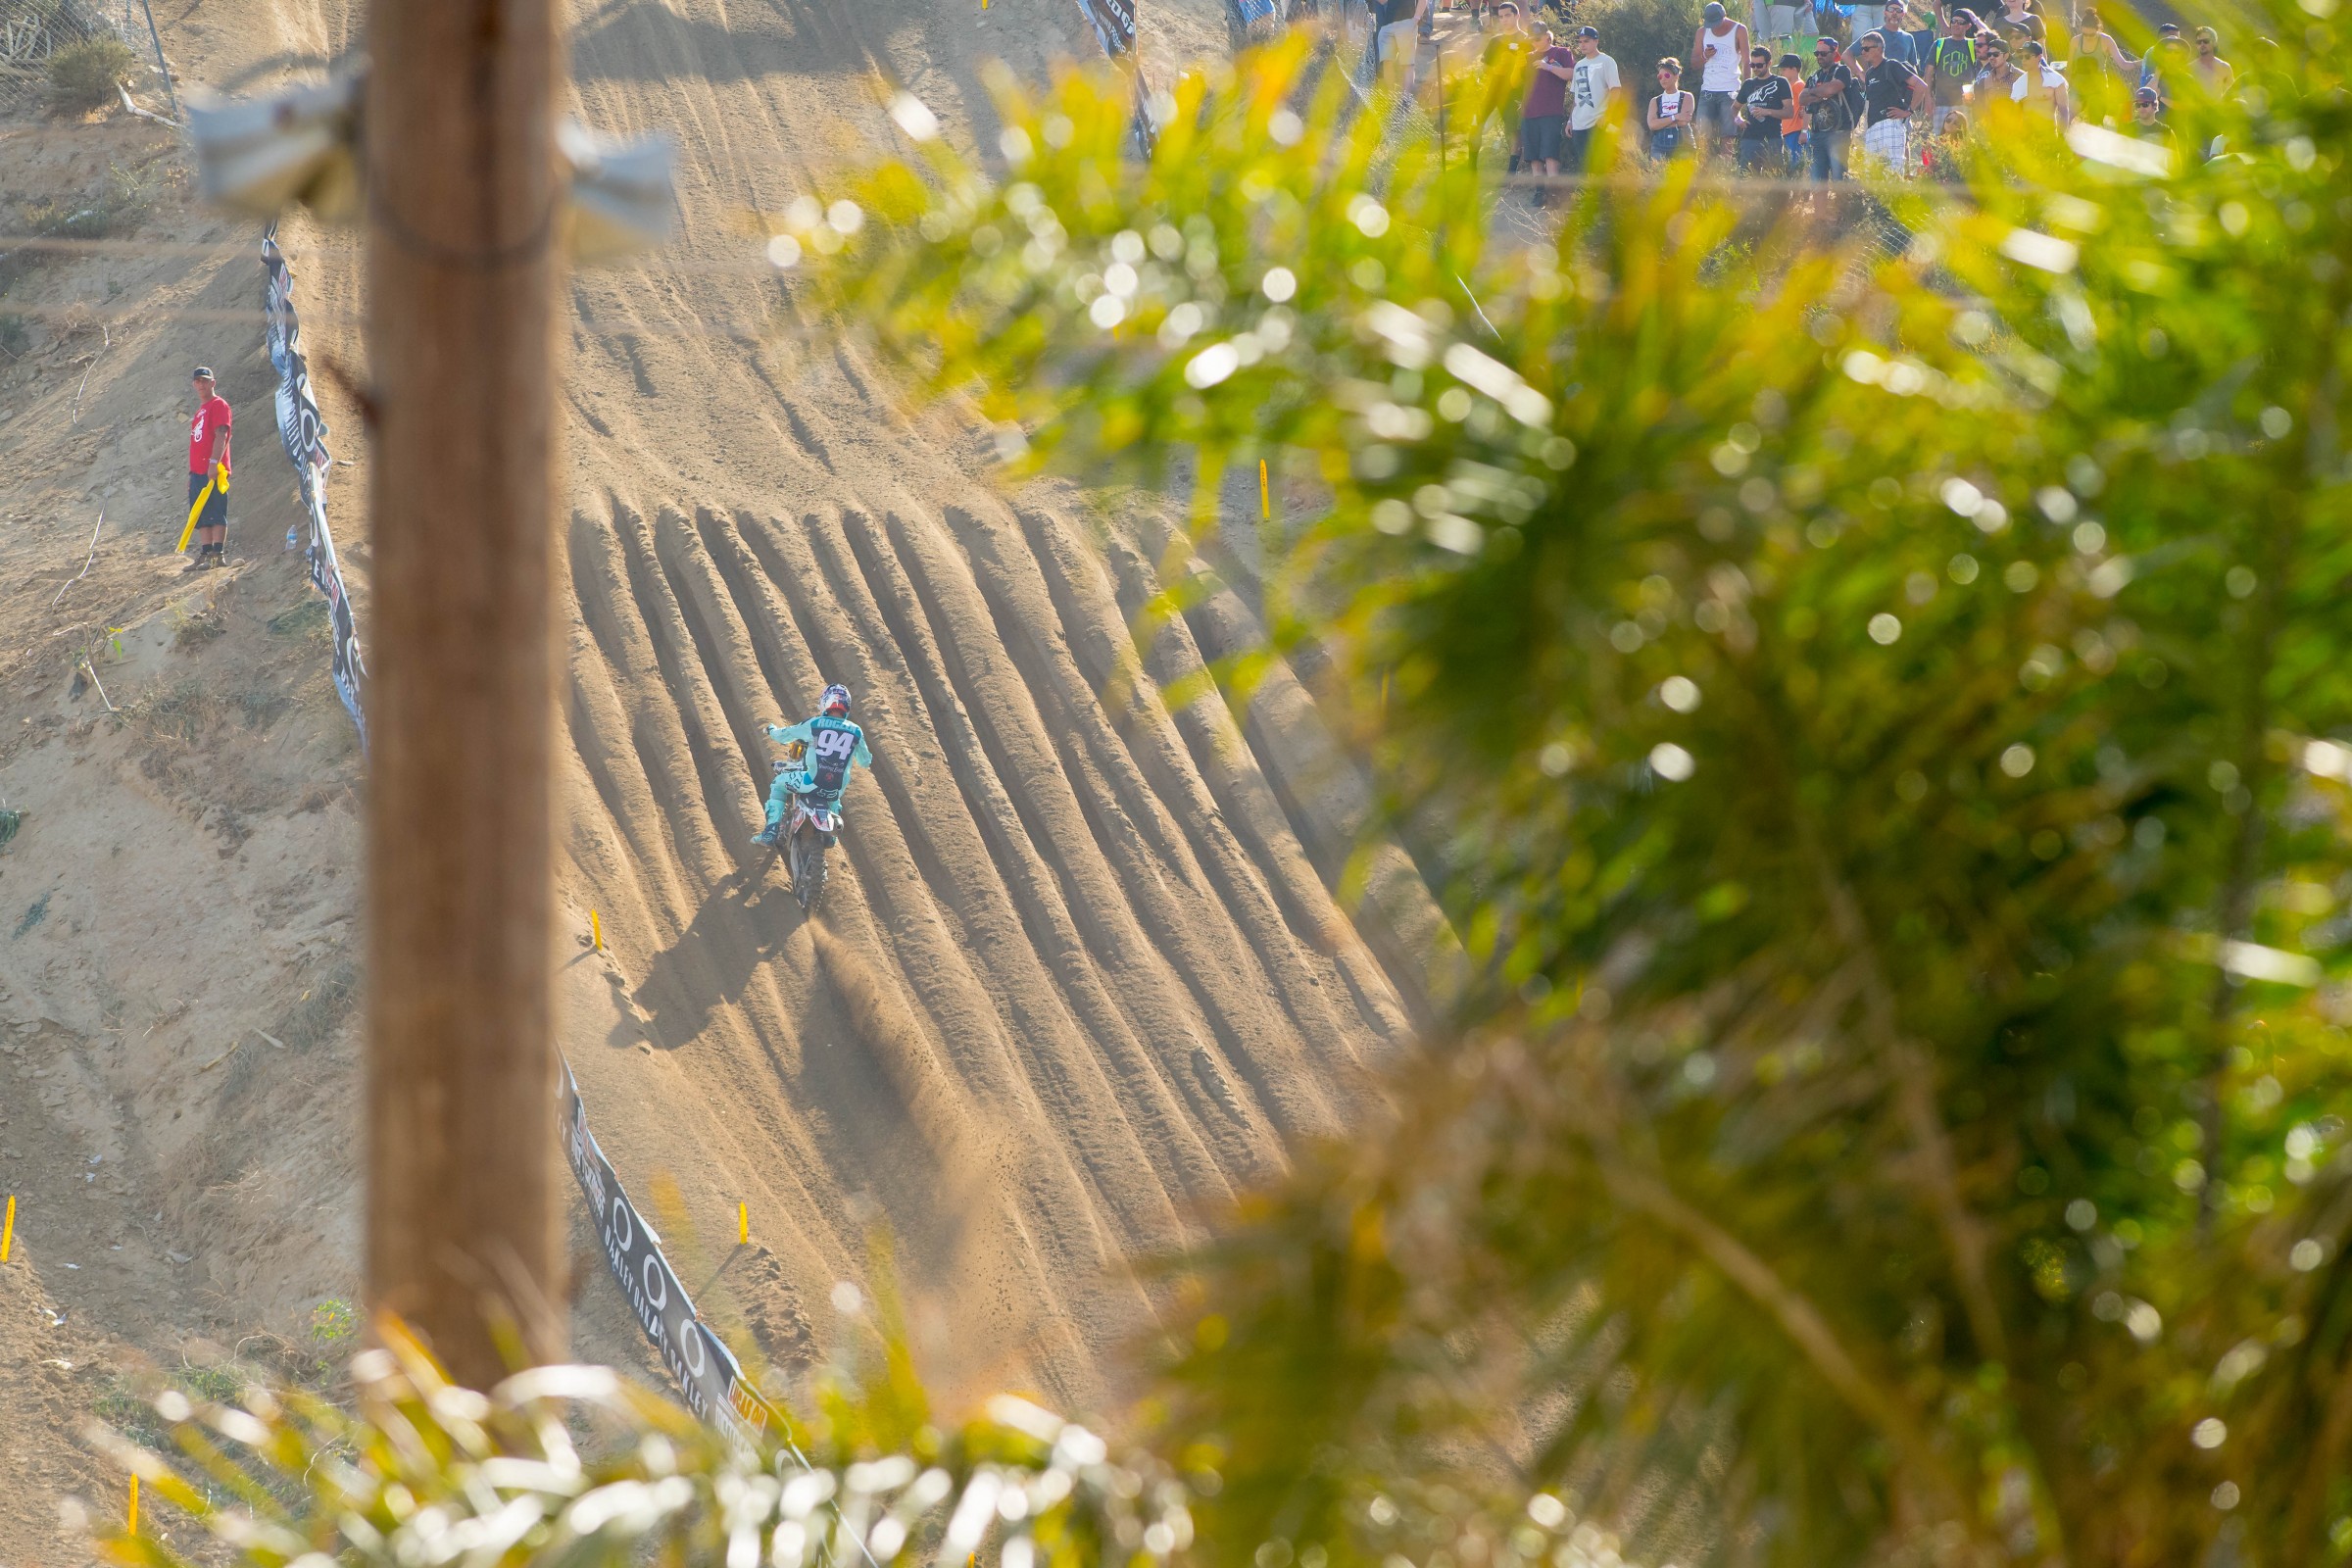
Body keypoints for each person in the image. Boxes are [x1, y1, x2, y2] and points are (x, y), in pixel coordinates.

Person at [753, 683, 872, 848]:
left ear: (826, 702)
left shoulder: (815, 723)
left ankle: (771, 831)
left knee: (778, 784)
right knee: (834, 800)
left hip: (811, 781)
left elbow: (785, 735)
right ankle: (831, 837)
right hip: (834, 790)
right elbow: (865, 762)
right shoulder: (856, 731)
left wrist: (772, 730)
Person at [1852, 30, 1928, 175]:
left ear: (1879, 49)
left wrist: (1909, 110)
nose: (1863, 52)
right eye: (1862, 49)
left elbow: (1921, 85)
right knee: (1871, 175)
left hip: (1891, 124)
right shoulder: (1869, 73)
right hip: (1873, 128)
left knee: (1892, 174)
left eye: (1867, 48)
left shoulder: (1891, 65)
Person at [184, 366, 232, 570]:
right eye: (198, 381)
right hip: (198, 471)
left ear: (213, 382)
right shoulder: (201, 410)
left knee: (216, 510)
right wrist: (192, 474)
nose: (201, 384)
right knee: (200, 514)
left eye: (205, 381)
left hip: (213, 468)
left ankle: (217, 553)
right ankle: (205, 553)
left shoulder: (218, 405)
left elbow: (222, 434)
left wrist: (214, 462)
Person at [1690, 1, 1748, 156]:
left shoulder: (1739, 30)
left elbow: (1746, 62)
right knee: (1702, 135)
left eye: (1717, 22)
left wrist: (1746, 89)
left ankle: (1725, 172)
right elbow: (1694, 63)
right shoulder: (1702, 32)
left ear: (1725, 16)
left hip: (1730, 90)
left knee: (1728, 136)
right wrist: (1705, 56)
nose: (1714, 27)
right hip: (1708, 90)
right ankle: (1703, 172)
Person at [1564, 25, 1624, 173]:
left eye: (1586, 41)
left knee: (1601, 166)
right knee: (1585, 168)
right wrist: (1570, 120)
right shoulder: (1578, 65)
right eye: (1580, 41)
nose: (1582, 44)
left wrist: (1607, 115)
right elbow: (1576, 97)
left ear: (1596, 41)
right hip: (1579, 124)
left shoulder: (1607, 61)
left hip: (1598, 122)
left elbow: (1615, 89)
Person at [1520, 24, 1576, 176]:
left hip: (1550, 112)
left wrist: (1548, 67)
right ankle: (1539, 193)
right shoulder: (1528, 56)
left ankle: (1552, 193)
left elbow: (1571, 74)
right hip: (1529, 112)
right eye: (1531, 40)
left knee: (1550, 154)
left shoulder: (1561, 52)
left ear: (1547, 37)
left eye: (1537, 39)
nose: (1534, 43)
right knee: (1533, 157)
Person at [1802, 36, 1860, 181]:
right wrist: (1821, 93)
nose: (1819, 57)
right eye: (1817, 54)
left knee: (1839, 178)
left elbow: (1832, 90)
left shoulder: (1842, 71)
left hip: (1839, 134)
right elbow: (1802, 99)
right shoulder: (1814, 76)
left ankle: (1841, 205)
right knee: (1816, 181)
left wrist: (1814, 92)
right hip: (1816, 135)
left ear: (1834, 53)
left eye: (1823, 53)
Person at [1734, 46, 1794, 172]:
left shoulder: (1780, 82)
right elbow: (1735, 107)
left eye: (1759, 65)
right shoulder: (1748, 84)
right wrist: (1738, 120)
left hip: (1772, 138)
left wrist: (1768, 112)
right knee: (1746, 177)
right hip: (1750, 138)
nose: (1755, 68)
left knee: (1774, 178)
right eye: (1752, 65)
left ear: (1769, 63)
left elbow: (1789, 112)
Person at [1927, 6, 1978, 128]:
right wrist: (1928, 97)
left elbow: (1991, 38)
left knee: (1963, 142)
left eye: (1961, 23)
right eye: (1953, 21)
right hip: (1941, 102)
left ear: (1968, 26)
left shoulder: (1974, 44)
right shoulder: (1939, 44)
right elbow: (1929, 72)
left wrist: (1975, 19)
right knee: (1939, 141)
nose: (1956, 25)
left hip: (1965, 103)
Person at [1646, 59, 1696, 157]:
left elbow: (1683, 122)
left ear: (1676, 76)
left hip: (1684, 144)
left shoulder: (1687, 97)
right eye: (1660, 76)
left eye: (1667, 75)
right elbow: (1652, 125)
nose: (1663, 79)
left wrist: (1661, 122)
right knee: (1658, 171)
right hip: (1659, 146)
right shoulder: (1655, 101)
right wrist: (1676, 117)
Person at [2017, 38, 2070, 122]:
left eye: (2027, 56)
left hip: (2047, 132)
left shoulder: (2056, 80)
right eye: (2021, 56)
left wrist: (2061, 134)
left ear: (2039, 57)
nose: (2023, 60)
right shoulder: (2019, 82)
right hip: (2026, 133)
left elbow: (2064, 112)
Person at [1777, 51, 1810, 172]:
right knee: (1791, 166)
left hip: (1796, 132)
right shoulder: (1790, 86)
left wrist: (1804, 131)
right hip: (1788, 132)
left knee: (1798, 167)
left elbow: (1808, 105)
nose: (1781, 72)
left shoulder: (1799, 85)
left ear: (1794, 69)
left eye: (1784, 69)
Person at [2191, 27, 2234, 97]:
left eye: (2206, 41)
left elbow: (2232, 95)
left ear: (2215, 43)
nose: (2202, 44)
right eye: (2199, 42)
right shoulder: (2189, 68)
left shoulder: (2224, 67)